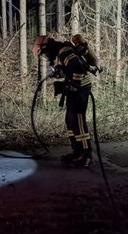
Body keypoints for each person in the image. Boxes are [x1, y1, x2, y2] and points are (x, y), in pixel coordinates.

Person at [33, 35, 93, 168]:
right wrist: (59, 73)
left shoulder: (64, 52)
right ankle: (77, 151)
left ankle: (86, 155)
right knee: (70, 120)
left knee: (78, 122)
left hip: (81, 89)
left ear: (47, 48)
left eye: (44, 53)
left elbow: (78, 69)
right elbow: (69, 70)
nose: (45, 56)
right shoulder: (60, 52)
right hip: (74, 90)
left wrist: (74, 85)